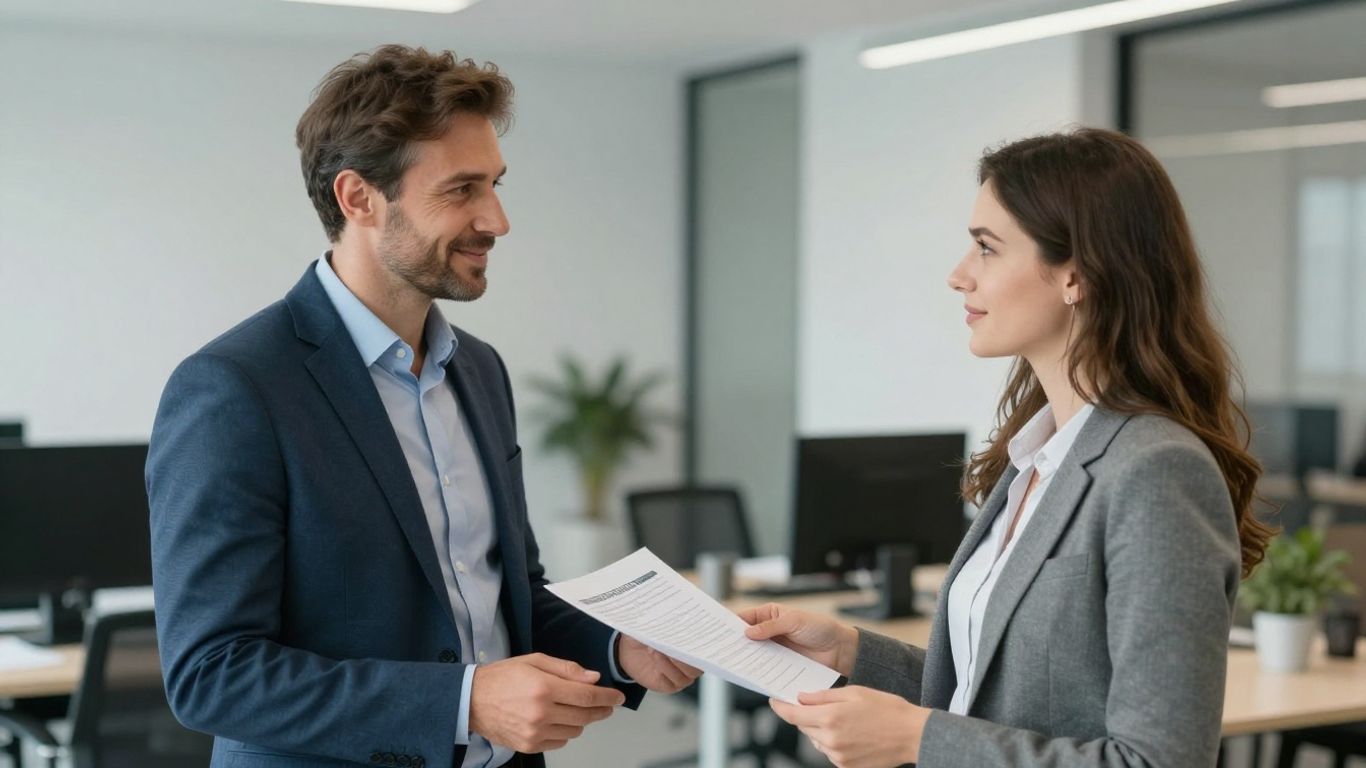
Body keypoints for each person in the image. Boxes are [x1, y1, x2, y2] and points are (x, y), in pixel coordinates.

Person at [146, 45, 699, 768]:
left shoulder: (479, 370)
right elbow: (212, 674)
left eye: (495, 184)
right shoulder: (234, 388)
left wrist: (620, 645)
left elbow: (509, 596)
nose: (497, 219)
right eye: (462, 189)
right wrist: (464, 703)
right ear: (359, 198)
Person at [741, 128, 1274, 767]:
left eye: (987, 248)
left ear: (1076, 274)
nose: (958, 275)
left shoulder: (1157, 471)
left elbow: (1158, 761)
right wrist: (853, 653)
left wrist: (916, 739)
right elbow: (1001, 696)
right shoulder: (1035, 458)